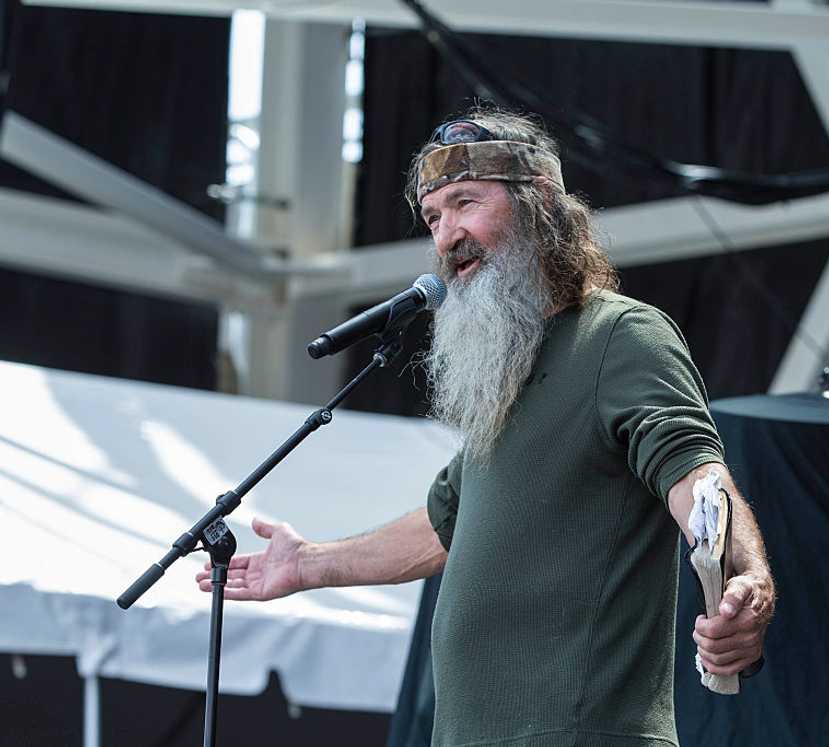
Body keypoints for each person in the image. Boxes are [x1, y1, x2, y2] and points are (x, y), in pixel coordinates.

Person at [197, 108, 775, 746]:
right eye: (434, 217)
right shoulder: (508, 372)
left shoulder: (619, 336)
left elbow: (698, 478)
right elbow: (445, 527)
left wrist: (746, 577)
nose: (447, 236)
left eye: (466, 202)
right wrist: (310, 564)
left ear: (541, 205)